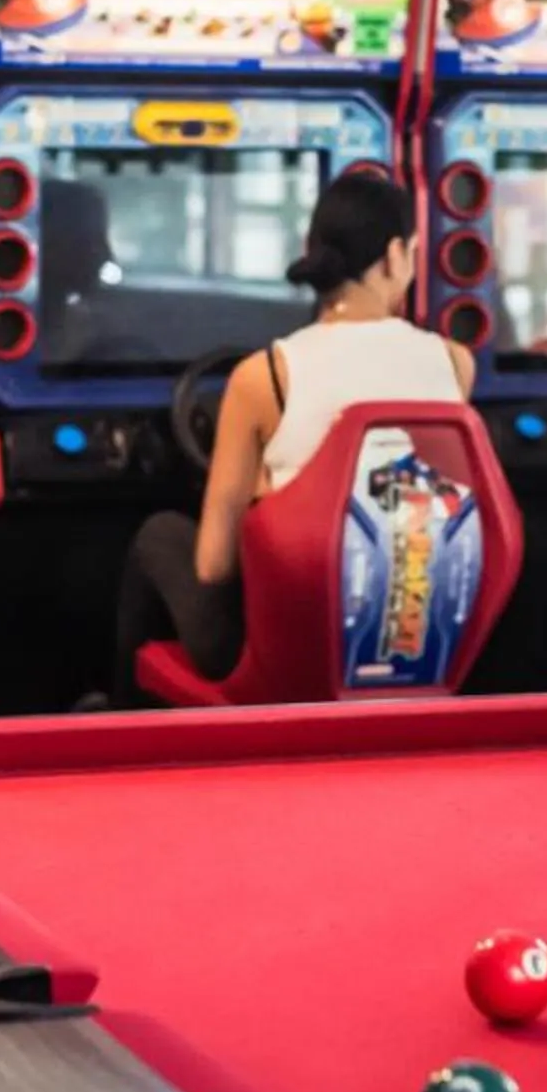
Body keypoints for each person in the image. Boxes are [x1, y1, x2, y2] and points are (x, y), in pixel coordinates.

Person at [109, 172, 475, 698]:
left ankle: (117, 733)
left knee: (160, 534)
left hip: (292, 655)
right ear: (396, 256)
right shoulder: (455, 364)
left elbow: (214, 564)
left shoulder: (266, 376)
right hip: (425, 634)